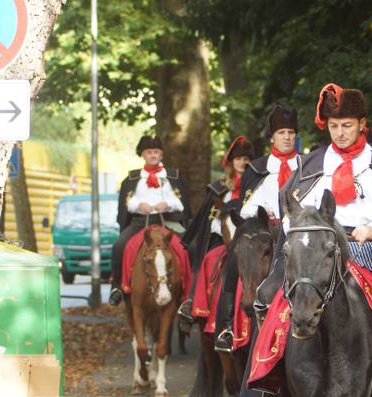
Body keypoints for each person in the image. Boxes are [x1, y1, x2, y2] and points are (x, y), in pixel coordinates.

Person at [255, 83, 372, 397]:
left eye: (347, 125)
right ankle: (275, 377)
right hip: (317, 254)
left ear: (362, 123)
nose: (340, 133)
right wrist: (307, 232)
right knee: (264, 298)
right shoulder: (310, 165)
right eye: (334, 126)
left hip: (369, 252)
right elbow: (291, 210)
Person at [211, 106, 299, 352]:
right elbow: (245, 207)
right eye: (282, 132)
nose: (287, 137)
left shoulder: (308, 164)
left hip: (298, 233)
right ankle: (226, 327)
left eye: (291, 132)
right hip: (263, 233)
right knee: (231, 265)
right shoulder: (257, 168)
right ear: (272, 136)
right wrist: (265, 212)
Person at [179, 136, 254, 320]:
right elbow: (210, 217)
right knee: (204, 256)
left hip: (252, 241)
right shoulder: (220, 188)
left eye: (246, 159)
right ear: (230, 162)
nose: (242, 163)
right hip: (223, 239)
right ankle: (193, 301)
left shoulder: (256, 185)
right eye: (238, 159)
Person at [110, 136, 189, 305]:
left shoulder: (172, 177)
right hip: (139, 223)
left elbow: (181, 204)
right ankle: (117, 287)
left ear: (161, 155)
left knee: (187, 248)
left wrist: (167, 204)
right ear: (143, 155)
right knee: (118, 247)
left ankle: (187, 292)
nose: (153, 155)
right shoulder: (132, 179)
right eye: (149, 152)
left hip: (166, 222)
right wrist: (139, 205)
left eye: (156, 152)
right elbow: (127, 203)